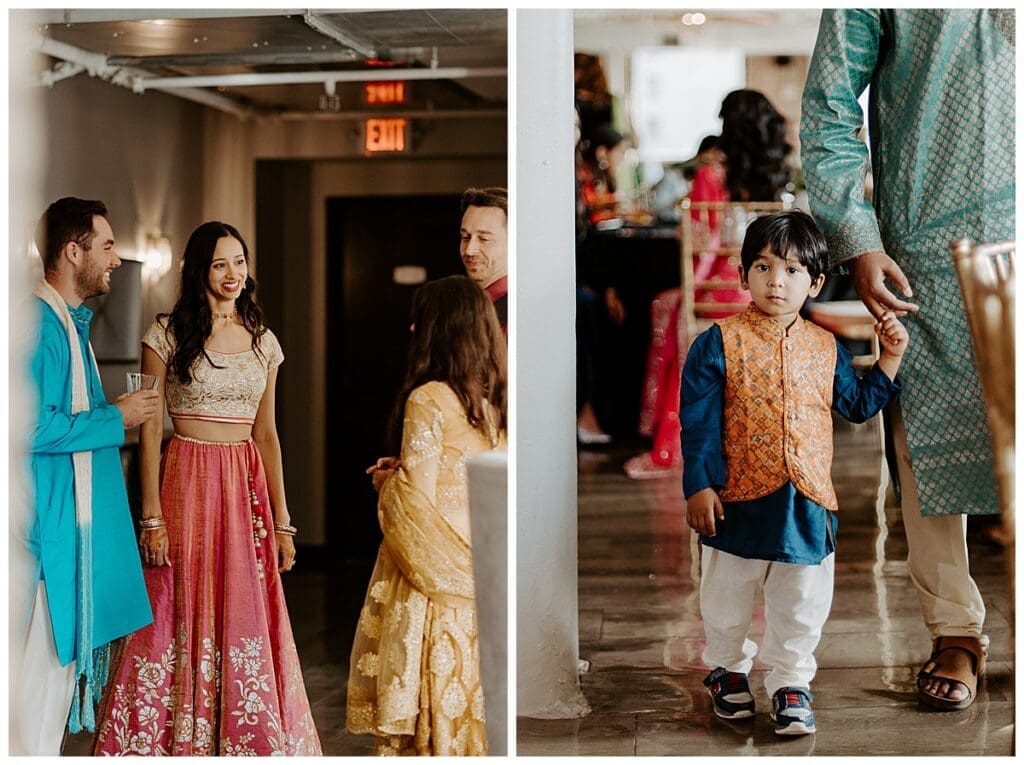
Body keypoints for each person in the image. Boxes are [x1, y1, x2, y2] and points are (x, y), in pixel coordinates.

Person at [799, 9, 1014, 710]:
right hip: (931, 235)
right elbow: (831, 102)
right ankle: (955, 629)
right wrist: (856, 235)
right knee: (929, 431)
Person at [93, 222, 321, 755]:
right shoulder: (165, 336)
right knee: (174, 602)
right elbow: (151, 430)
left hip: (244, 488)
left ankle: (240, 736)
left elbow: (268, 435)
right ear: (199, 270)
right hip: (186, 480)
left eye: (239, 262)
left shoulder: (264, 342)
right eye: (220, 264)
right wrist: (152, 517)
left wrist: (284, 523)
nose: (232, 274)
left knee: (244, 605)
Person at [681, 211, 907, 735]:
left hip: (806, 502)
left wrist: (890, 356)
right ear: (743, 275)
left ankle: (791, 680)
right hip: (735, 498)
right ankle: (727, 668)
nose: (776, 282)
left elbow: (857, 406)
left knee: (802, 598)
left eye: (791, 270)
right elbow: (699, 422)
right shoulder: (716, 343)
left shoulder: (826, 347)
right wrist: (700, 485)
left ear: (816, 283)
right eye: (762, 267)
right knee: (727, 592)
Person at [14, 198, 159, 756]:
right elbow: (27, 425)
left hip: (61, 531)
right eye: (108, 246)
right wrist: (116, 418)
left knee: (47, 697)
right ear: (73, 252)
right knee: (34, 698)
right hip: (44, 537)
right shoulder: (39, 325)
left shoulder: (69, 325)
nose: (117, 259)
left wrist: (112, 413)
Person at [347, 275, 507, 755]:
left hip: (431, 572)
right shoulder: (495, 395)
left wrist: (386, 483)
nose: (413, 327)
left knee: (433, 702)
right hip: (484, 562)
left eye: (421, 319)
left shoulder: (429, 398)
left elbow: (415, 501)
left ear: (441, 327)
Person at [628, 89, 792, 479]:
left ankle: (671, 442)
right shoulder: (777, 177)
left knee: (666, 307)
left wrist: (692, 291)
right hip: (773, 288)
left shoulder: (712, 175)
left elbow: (704, 247)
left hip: (725, 288)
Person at [459, 186, 509, 333]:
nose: (469, 250)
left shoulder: (519, 316)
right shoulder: (466, 306)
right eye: (465, 237)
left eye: (484, 239)